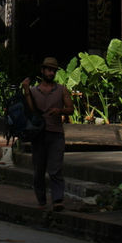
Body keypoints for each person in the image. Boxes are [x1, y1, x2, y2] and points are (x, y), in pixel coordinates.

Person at [21, 56, 74, 211]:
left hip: (56, 133)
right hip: (39, 135)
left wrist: (60, 110)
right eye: (49, 70)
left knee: (55, 168)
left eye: (53, 70)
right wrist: (25, 91)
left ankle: (57, 199)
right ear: (42, 71)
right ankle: (41, 199)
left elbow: (70, 108)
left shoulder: (61, 90)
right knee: (39, 170)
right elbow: (30, 110)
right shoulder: (34, 91)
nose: (51, 73)